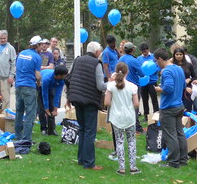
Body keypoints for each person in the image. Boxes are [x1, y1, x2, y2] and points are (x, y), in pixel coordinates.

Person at [67, 41, 106, 170]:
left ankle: (81, 159)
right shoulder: (97, 63)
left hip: (76, 98)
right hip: (90, 100)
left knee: (82, 129)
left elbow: (69, 77)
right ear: (97, 52)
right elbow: (100, 85)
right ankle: (89, 163)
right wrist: (111, 84)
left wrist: (69, 96)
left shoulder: (77, 60)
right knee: (90, 131)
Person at [104, 62, 140, 175]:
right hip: (129, 117)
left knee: (119, 142)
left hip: (116, 117)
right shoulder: (133, 87)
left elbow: (107, 102)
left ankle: (122, 168)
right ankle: (133, 167)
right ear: (127, 72)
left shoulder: (110, 86)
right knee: (131, 141)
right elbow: (136, 104)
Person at [154, 48, 188, 168]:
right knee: (180, 133)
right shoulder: (179, 69)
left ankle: (173, 162)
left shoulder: (166, 71)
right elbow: (183, 85)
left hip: (168, 107)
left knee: (170, 135)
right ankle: (183, 159)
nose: (156, 64)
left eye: (156, 61)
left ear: (159, 59)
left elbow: (168, 89)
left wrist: (158, 89)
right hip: (179, 105)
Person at [14, 36, 43, 142]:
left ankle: (18, 136)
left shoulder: (21, 53)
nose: (42, 47)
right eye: (41, 45)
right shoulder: (37, 57)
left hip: (18, 86)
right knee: (30, 114)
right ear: (37, 45)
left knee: (19, 112)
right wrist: (39, 83)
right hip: (29, 87)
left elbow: (17, 68)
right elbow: (38, 75)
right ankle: (26, 139)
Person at [118, 42, 145, 133]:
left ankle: (124, 126)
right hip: (134, 86)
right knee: (135, 107)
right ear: (133, 50)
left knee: (124, 106)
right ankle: (136, 127)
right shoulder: (134, 60)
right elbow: (142, 74)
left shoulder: (121, 59)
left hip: (122, 85)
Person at [38, 65, 68, 136]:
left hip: (52, 86)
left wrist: (55, 109)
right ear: (58, 75)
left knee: (52, 105)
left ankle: (52, 129)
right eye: (64, 75)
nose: (66, 76)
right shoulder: (46, 79)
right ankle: (43, 129)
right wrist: (46, 109)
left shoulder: (62, 80)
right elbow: (44, 95)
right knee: (42, 108)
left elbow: (58, 95)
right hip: (41, 85)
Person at [136, 43, 159, 121]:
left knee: (154, 99)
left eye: (145, 51)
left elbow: (158, 67)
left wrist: (153, 71)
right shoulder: (139, 59)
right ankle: (146, 115)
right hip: (143, 82)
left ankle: (156, 114)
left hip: (152, 81)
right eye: (142, 52)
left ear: (148, 50)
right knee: (144, 99)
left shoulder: (153, 57)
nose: (144, 53)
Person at [172, 46, 195, 112]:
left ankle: (188, 121)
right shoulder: (172, 65)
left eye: (180, 54)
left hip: (187, 89)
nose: (179, 56)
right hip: (176, 89)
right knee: (177, 109)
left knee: (187, 108)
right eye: (177, 54)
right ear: (174, 55)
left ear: (183, 55)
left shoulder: (188, 65)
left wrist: (190, 79)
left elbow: (194, 77)